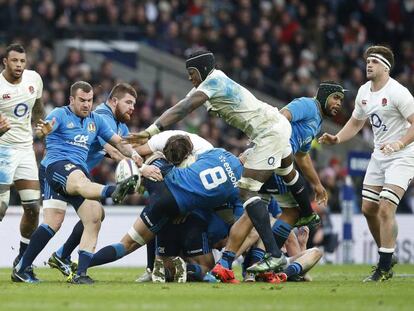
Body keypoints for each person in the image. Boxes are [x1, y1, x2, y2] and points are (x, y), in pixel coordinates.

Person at [125, 50, 316, 278]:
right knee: (288, 172)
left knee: (246, 192)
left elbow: (184, 108)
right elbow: (184, 103)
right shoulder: (212, 82)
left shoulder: (213, 82)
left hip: (268, 132)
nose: (189, 78)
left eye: (191, 73)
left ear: (203, 70)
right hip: (274, 124)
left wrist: (151, 130)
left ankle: (274, 253)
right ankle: (307, 213)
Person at [11, 81, 144, 284]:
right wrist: (44, 130)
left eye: (89, 101)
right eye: (82, 100)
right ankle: (113, 191)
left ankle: (78, 273)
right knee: (77, 187)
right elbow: (42, 130)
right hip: (55, 167)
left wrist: (134, 154)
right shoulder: (59, 114)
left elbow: (118, 142)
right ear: (71, 99)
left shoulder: (96, 121)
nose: (86, 105)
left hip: (78, 169)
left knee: (93, 216)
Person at [46, 83, 162, 278]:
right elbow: (114, 151)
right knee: (53, 222)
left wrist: (151, 155)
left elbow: (128, 147)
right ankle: (31, 263)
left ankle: (61, 255)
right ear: (114, 101)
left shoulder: (120, 124)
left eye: (134, 104)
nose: (132, 108)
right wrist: (142, 169)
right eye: (128, 102)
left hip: (81, 173)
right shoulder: (100, 116)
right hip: (64, 169)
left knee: (96, 215)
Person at [319, 45, 414, 282]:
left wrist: (400, 144)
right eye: (367, 61)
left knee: (385, 206)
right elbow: (355, 122)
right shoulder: (364, 91)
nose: (368, 65)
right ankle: (387, 253)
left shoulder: (398, 93)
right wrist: (337, 137)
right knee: (368, 209)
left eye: (373, 61)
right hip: (379, 156)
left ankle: (383, 267)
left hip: (403, 156)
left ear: (385, 66)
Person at [86, 144, 243, 281]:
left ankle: (82, 264)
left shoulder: (218, 153)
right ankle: (174, 269)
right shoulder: (239, 186)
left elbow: (190, 163)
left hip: (163, 186)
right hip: (179, 207)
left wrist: (145, 167)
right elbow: (237, 220)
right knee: (205, 266)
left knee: (127, 244)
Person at [0, 44, 44, 268]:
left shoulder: (33, 79)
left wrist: (41, 124)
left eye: (22, 61)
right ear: (5, 62)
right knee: (1, 208)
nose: (19, 65)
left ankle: (23, 259)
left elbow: (37, 106)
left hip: (26, 150)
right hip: (2, 150)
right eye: (14, 61)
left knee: (33, 207)